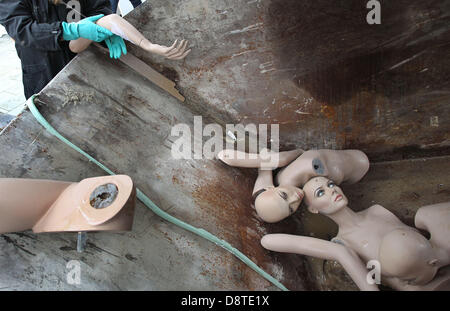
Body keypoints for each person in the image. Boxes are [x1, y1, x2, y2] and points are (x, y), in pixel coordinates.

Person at [261, 176, 450, 291]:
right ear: (313, 209)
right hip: (425, 285)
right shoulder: (343, 245)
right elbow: (268, 240)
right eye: (321, 193)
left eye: (331, 184)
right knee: (399, 245)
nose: (332, 189)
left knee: (427, 214)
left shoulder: (377, 210)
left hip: (441, 252)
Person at [0, 0, 117, 99]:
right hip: (43, 71)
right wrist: (66, 31)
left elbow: (99, 7)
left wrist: (103, 23)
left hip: (87, 64)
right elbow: (22, 29)